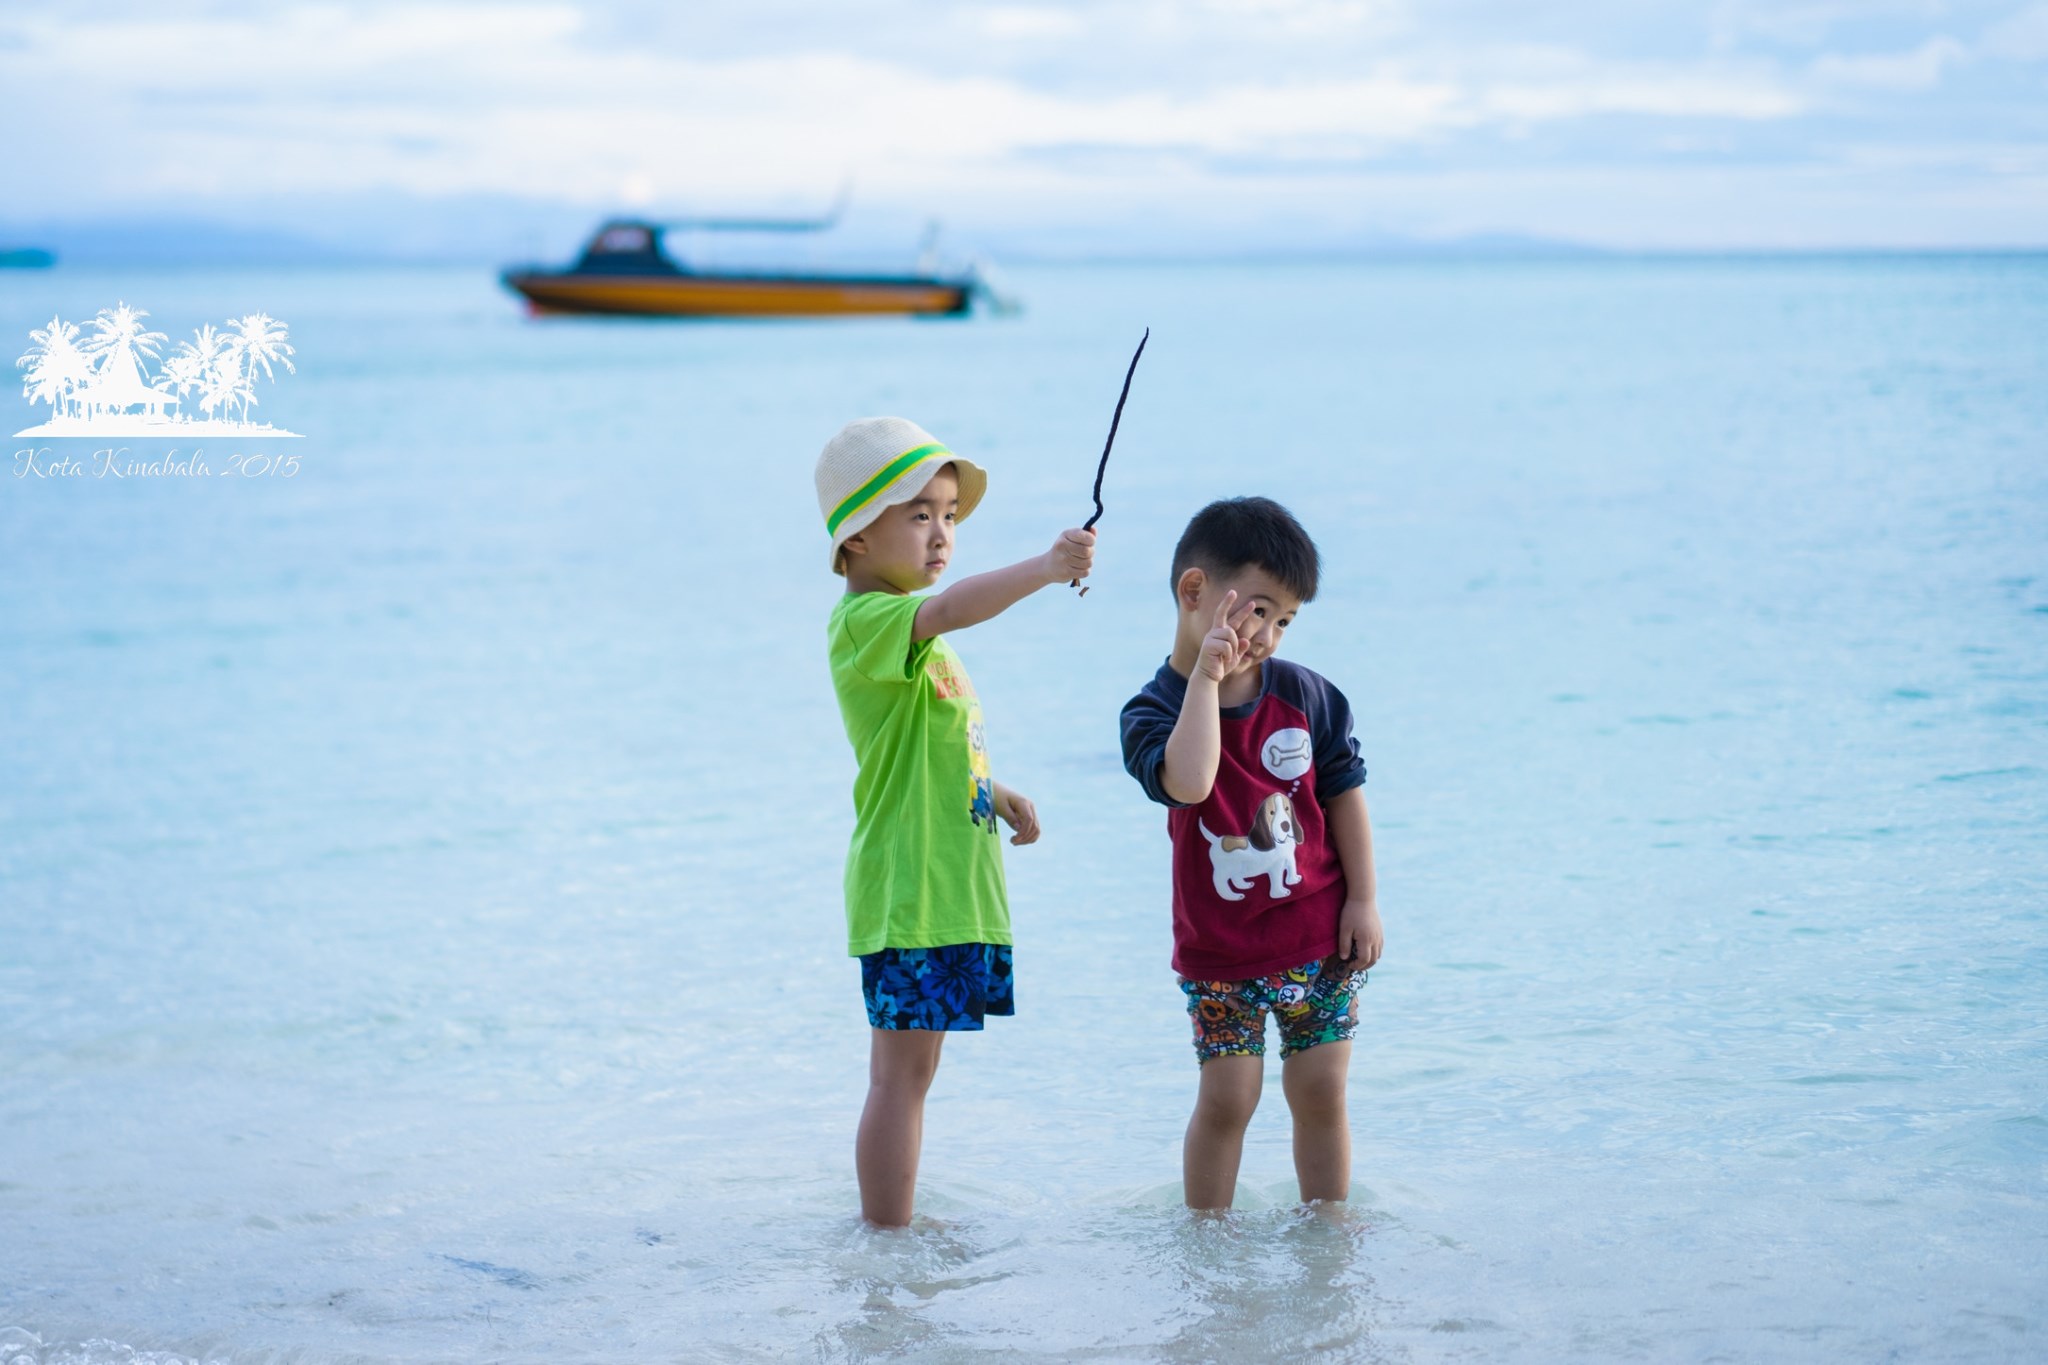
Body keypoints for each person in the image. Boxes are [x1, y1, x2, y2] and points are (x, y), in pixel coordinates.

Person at [816, 415, 1095, 1227]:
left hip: (946, 885)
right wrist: (1046, 569)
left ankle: (893, 1220)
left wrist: (995, 790)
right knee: (897, 1074)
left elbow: (925, 746)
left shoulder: (917, 640)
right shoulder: (868, 622)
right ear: (857, 539)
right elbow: (950, 610)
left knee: (918, 1069)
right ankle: (887, 1234)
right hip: (908, 886)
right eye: (919, 514)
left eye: (948, 514)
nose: (941, 533)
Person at [1118, 496, 1383, 1210]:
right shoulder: (1149, 711)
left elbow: (1344, 795)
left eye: (1286, 619)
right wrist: (1203, 680)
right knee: (1229, 1097)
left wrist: (1363, 898)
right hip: (1221, 951)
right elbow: (1190, 781)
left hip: (1317, 935)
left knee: (1321, 1087)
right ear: (1195, 591)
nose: (1269, 633)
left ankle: (1327, 1233)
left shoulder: (1308, 696)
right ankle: (1208, 1241)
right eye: (1260, 609)